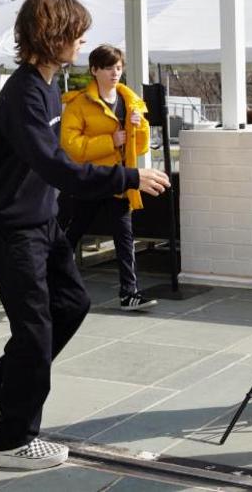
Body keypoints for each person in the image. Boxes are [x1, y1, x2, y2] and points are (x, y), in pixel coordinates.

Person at [0, 0, 170, 471]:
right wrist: (128, 176)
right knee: (34, 330)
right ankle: (12, 441)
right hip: (10, 228)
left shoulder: (47, 86)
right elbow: (59, 166)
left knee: (73, 304)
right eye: (75, 33)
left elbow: (55, 167)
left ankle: (0, 386)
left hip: (41, 221)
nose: (81, 42)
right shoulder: (22, 94)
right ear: (52, 36)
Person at [57, 45, 156, 310]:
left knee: (124, 237)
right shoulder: (77, 104)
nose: (115, 73)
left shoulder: (131, 101)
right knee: (72, 234)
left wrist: (140, 125)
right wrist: (109, 141)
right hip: (90, 180)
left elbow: (141, 147)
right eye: (109, 67)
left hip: (119, 180)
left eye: (119, 67)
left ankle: (129, 294)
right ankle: (46, 282)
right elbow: (71, 147)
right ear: (94, 70)